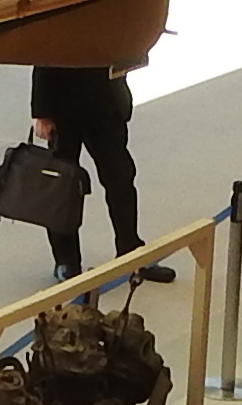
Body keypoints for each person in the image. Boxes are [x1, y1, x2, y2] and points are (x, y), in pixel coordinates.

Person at [27, 63, 152, 285]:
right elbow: (44, 55)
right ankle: (66, 261)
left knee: (121, 178)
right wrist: (42, 113)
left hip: (106, 104)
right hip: (62, 108)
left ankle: (131, 252)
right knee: (61, 188)